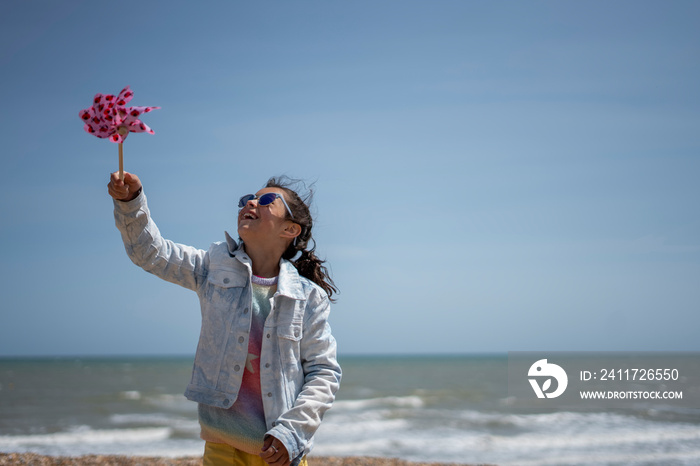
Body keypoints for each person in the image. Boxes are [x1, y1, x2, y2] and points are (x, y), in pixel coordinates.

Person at [108, 171, 341, 466]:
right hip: (221, 445)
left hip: (279, 450)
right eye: (247, 199)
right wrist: (131, 202)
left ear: (290, 229)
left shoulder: (309, 298)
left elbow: (323, 371)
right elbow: (150, 253)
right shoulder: (212, 267)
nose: (251, 203)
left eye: (267, 200)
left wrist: (292, 433)